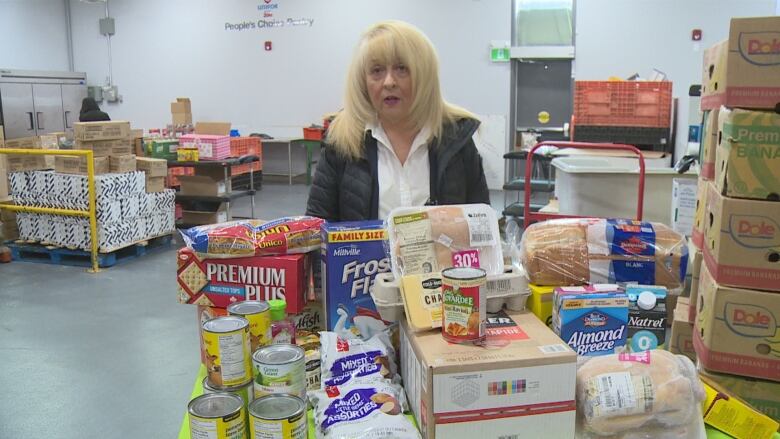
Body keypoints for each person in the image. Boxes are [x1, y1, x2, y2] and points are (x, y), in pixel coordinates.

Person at [306, 20, 489, 222]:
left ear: (423, 75)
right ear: (363, 80)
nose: (389, 82)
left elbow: (482, 228)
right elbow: (317, 231)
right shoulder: (341, 142)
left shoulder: (458, 140)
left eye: (402, 69)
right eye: (377, 71)